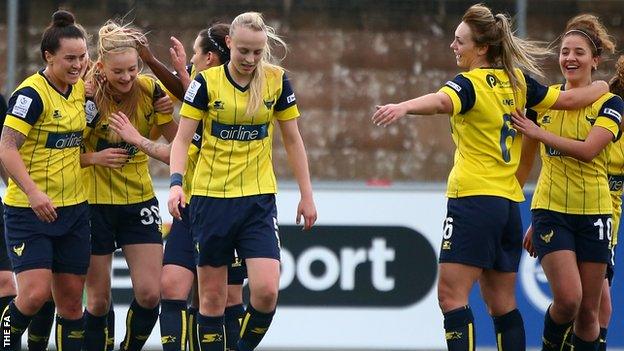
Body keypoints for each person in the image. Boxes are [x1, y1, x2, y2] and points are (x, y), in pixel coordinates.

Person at [372, 4, 611, 351]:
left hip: (472, 200)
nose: (454, 47)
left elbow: (441, 102)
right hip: (507, 206)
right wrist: (602, 85)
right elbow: (570, 98)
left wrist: (404, 106)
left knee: (450, 296)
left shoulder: (469, 85)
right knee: (502, 304)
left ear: (482, 48)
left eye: (459, 41)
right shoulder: (518, 84)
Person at [167, 11, 317, 351]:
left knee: (265, 291)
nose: (250, 59)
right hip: (209, 200)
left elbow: (293, 139)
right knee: (212, 298)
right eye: (243, 51)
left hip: (257, 200)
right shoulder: (206, 84)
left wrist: (307, 195)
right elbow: (180, 139)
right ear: (230, 44)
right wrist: (176, 183)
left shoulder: (277, 81)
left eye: (257, 52)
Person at [112, 23, 248, 351]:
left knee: (222, 297)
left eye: (196, 55)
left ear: (211, 59)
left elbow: (191, 99)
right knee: (171, 286)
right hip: (191, 205)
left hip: (228, 207)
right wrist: (153, 61)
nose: (189, 65)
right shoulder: (195, 87)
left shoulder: (234, 100)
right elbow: (183, 99)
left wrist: (137, 138)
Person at [513, 14, 623, 351]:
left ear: (595, 60)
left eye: (578, 52)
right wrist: (509, 204)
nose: (570, 58)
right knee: (569, 300)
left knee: (591, 311)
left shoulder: (610, 103)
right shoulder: (542, 103)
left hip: (596, 214)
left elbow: (590, 152)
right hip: (551, 210)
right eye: (564, 52)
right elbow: (527, 164)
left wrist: (539, 132)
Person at [80, 20, 177, 351]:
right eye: (118, 71)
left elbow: (178, 149)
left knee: (150, 294)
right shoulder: (85, 94)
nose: (126, 78)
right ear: (101, 67)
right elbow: (57, 154)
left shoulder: (151, 91)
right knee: (97, 300)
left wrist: (170, 114)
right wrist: (94, 158)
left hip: (138, 201)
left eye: (132, 69)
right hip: (93, 202)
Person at [0, 10, 90, 351]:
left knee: (70, 304)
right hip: (30, 212)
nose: (78, 64)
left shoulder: (83, 88)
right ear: (48, 56)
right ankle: (6, 339)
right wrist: (34, 192)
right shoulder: (30, 95)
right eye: (69, 58)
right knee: (35, 294)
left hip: (74, 212)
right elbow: (6, 149)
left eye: (82, 57)